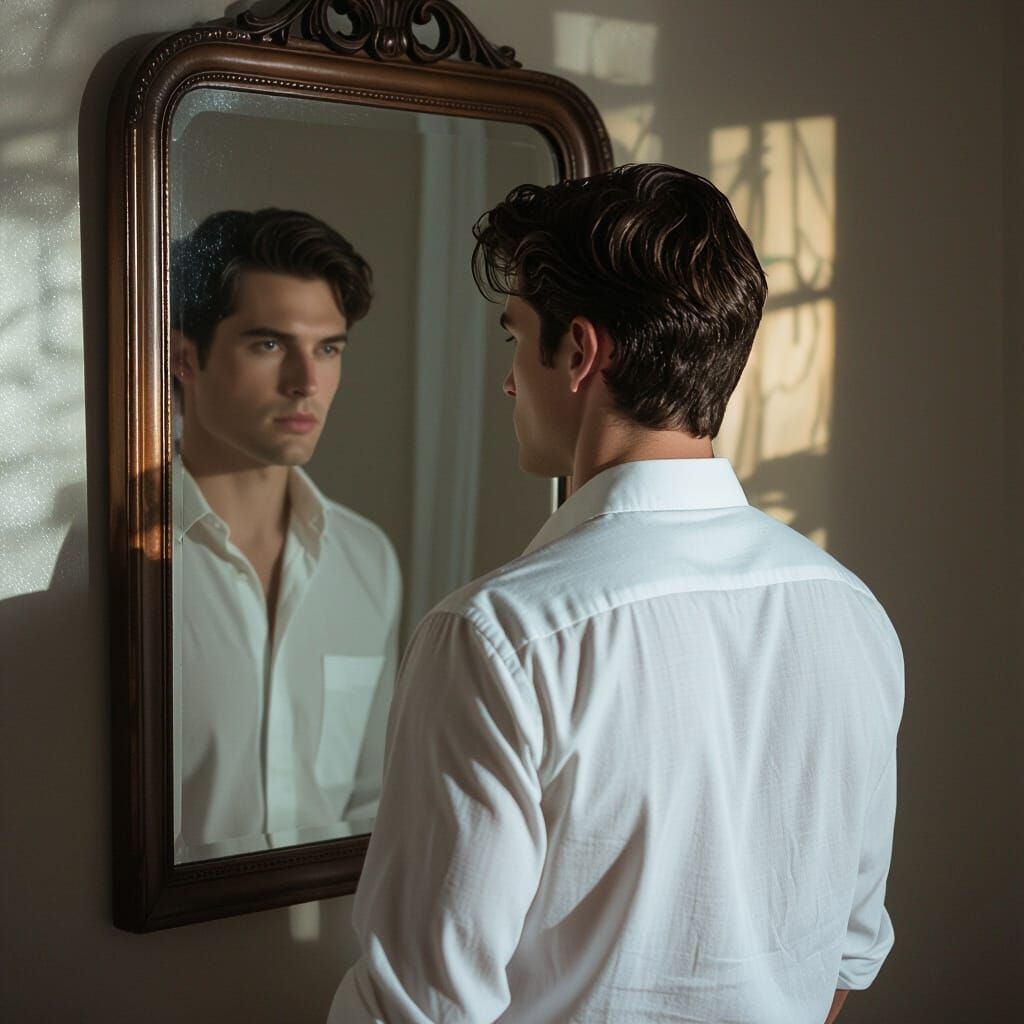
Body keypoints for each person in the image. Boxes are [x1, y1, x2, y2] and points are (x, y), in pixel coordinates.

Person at [327, 165, 903, 1024]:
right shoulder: (851, 610)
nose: (510, 380)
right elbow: (844, 960)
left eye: (515, 337)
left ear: (582, 352)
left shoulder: (500, 638)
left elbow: (421, 1010)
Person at [170, 209, 401, 860]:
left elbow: (368, 798)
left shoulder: (368, 560)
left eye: (328, 348)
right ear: (186, 357)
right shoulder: (118, 562)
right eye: (269, 344)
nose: (307, 382)